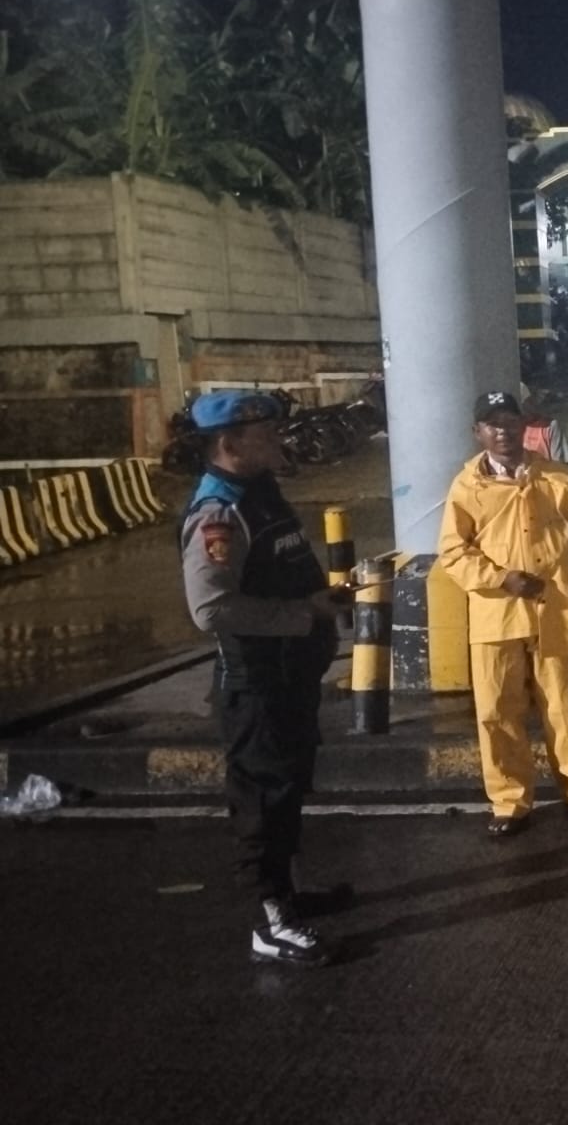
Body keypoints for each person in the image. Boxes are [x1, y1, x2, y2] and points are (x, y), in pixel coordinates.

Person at [179, 390, 351, 968]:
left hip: (289, 676)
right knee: (261, 799)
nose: (279, 437)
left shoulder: (261, 493)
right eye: (265, 431)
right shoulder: (218, 513)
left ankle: (290, 892)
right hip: (255, 683)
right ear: (229, 443)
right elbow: (211, 609)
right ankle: (270, 921)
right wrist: (304, 613)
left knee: (288, 787)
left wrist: (321, 600)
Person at [438, 391, 568, 837]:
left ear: (524, 426)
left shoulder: (558, 478)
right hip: (495, 616)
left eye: (510, 421)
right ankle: (509, 801)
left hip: (556, 610)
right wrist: (502, 579)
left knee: (564, 706)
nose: (503, 431)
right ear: (478, 432)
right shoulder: (466, 487)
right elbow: (453, 552)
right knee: (497, 710)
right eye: (492, 424)